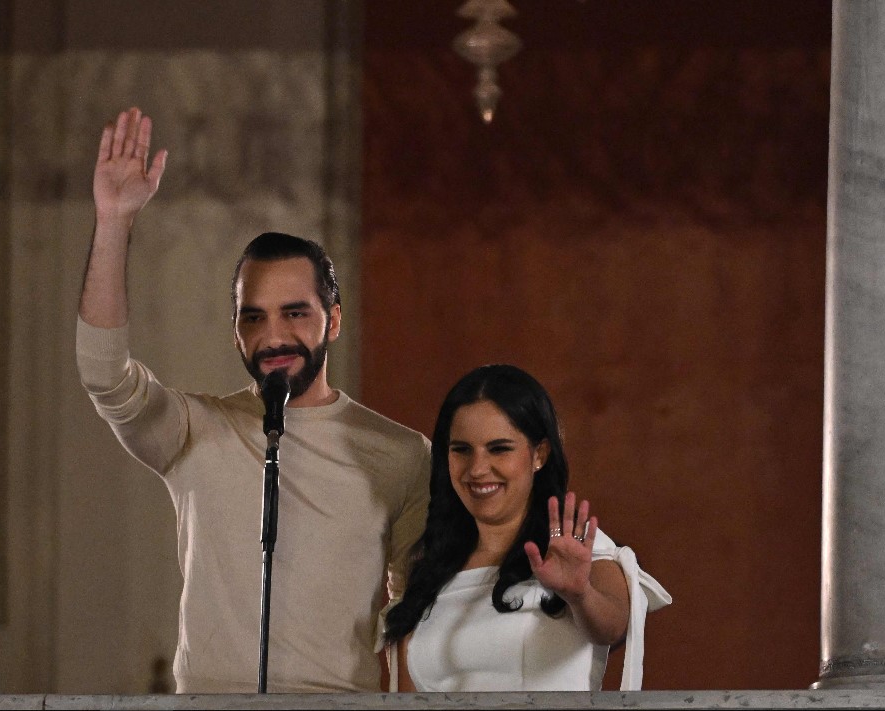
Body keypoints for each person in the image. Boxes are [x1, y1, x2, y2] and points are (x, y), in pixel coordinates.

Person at [76, 107, 431, 692]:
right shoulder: (194, 430)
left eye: (295, 313)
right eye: (254, 317)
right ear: (235, 329)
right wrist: (113, 221)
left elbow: (417, 616)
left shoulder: (399, 452)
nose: (274, 337)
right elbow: (103, 373)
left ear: (333, 320)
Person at [383, 364, 670, 691]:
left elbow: (612, 625)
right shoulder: (428, 568)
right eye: (461, 449)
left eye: (499, 449)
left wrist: (579, 595)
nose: (477, 469)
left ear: (539, 454)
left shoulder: (577, 549)